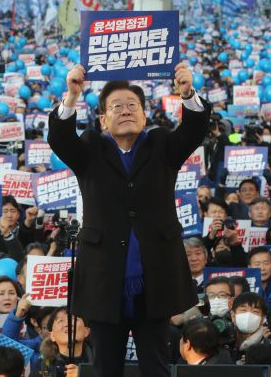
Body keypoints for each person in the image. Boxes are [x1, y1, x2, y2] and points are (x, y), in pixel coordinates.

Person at [47, 62, 211, 377]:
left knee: (156, 366)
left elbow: (193, 130)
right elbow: (60, 139)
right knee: (105, 367)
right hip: (105, 280)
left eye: (132, 105)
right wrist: (72, 95)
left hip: (155, 277)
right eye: (116, 106)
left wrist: (187, 93)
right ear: (103, 118)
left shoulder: (162, 144)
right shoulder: (90, 148)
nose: (125, 111)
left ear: (145, 116)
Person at [32, 307, 92, 377]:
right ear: (52, 335)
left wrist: (85, 374)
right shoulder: (43, 365)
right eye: (61, 321)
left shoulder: (101, 363)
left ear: (86, 331)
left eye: (73, 319)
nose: (67, 324)